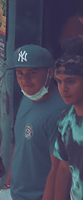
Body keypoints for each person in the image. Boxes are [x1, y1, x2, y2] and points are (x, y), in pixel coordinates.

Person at [0, 44, 68, 200]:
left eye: (33, 72)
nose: (25, 80)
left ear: (50, 73)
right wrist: (7, 186)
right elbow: (19, 146)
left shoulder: (60, 111)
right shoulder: (28, 97)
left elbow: (59, 170)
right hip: (14, 193)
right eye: (20, 73)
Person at [46, 38, 83, 200]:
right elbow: (63, 168)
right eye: (59, 82)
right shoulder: (64, 120)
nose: (63, 89)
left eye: (71, 81)